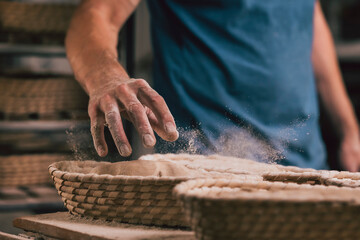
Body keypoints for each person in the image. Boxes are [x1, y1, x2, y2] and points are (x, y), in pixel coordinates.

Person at [66, 0, 360, 171]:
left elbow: (308, 19)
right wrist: (107, 76)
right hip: (208, 170)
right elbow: (97, 13)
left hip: (306, 165)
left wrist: (349, 129)